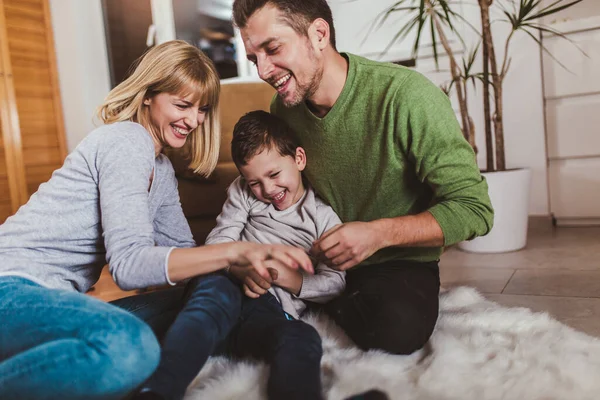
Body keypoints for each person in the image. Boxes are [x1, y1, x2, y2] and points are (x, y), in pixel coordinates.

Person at [0, 40, 312, 400]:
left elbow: (185, 259)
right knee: (127, 347)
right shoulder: (125, 141)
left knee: (218, 302)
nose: (193, 120)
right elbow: (129, 266)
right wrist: (233, 252)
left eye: (202, 110)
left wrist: (240, 273)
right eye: (182, 105)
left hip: (53, 300)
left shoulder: (160, 168)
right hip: (11, 286)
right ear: (148, 95)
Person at [232, 0, 494, 356]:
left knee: (396, 332)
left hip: (393, 260)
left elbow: (475, 209)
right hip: (313, 258)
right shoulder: (284, 109)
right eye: (253, 58)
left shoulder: (407, 96)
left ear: (319, 34)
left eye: (273, 48)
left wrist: (377, 233)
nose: (263, 70)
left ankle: (324, 301)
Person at [141, 110, 345, 400]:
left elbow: (336, 282)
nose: (268, 189)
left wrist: (292, 280)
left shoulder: (323, 218)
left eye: (274, 174)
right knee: (207, 308)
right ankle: (156, 392)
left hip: (268, 310)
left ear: (299, 159)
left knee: (302, 337)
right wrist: (239, 266)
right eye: (255, 182)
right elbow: (220, 241)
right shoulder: (243, 192)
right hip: (224, 285)